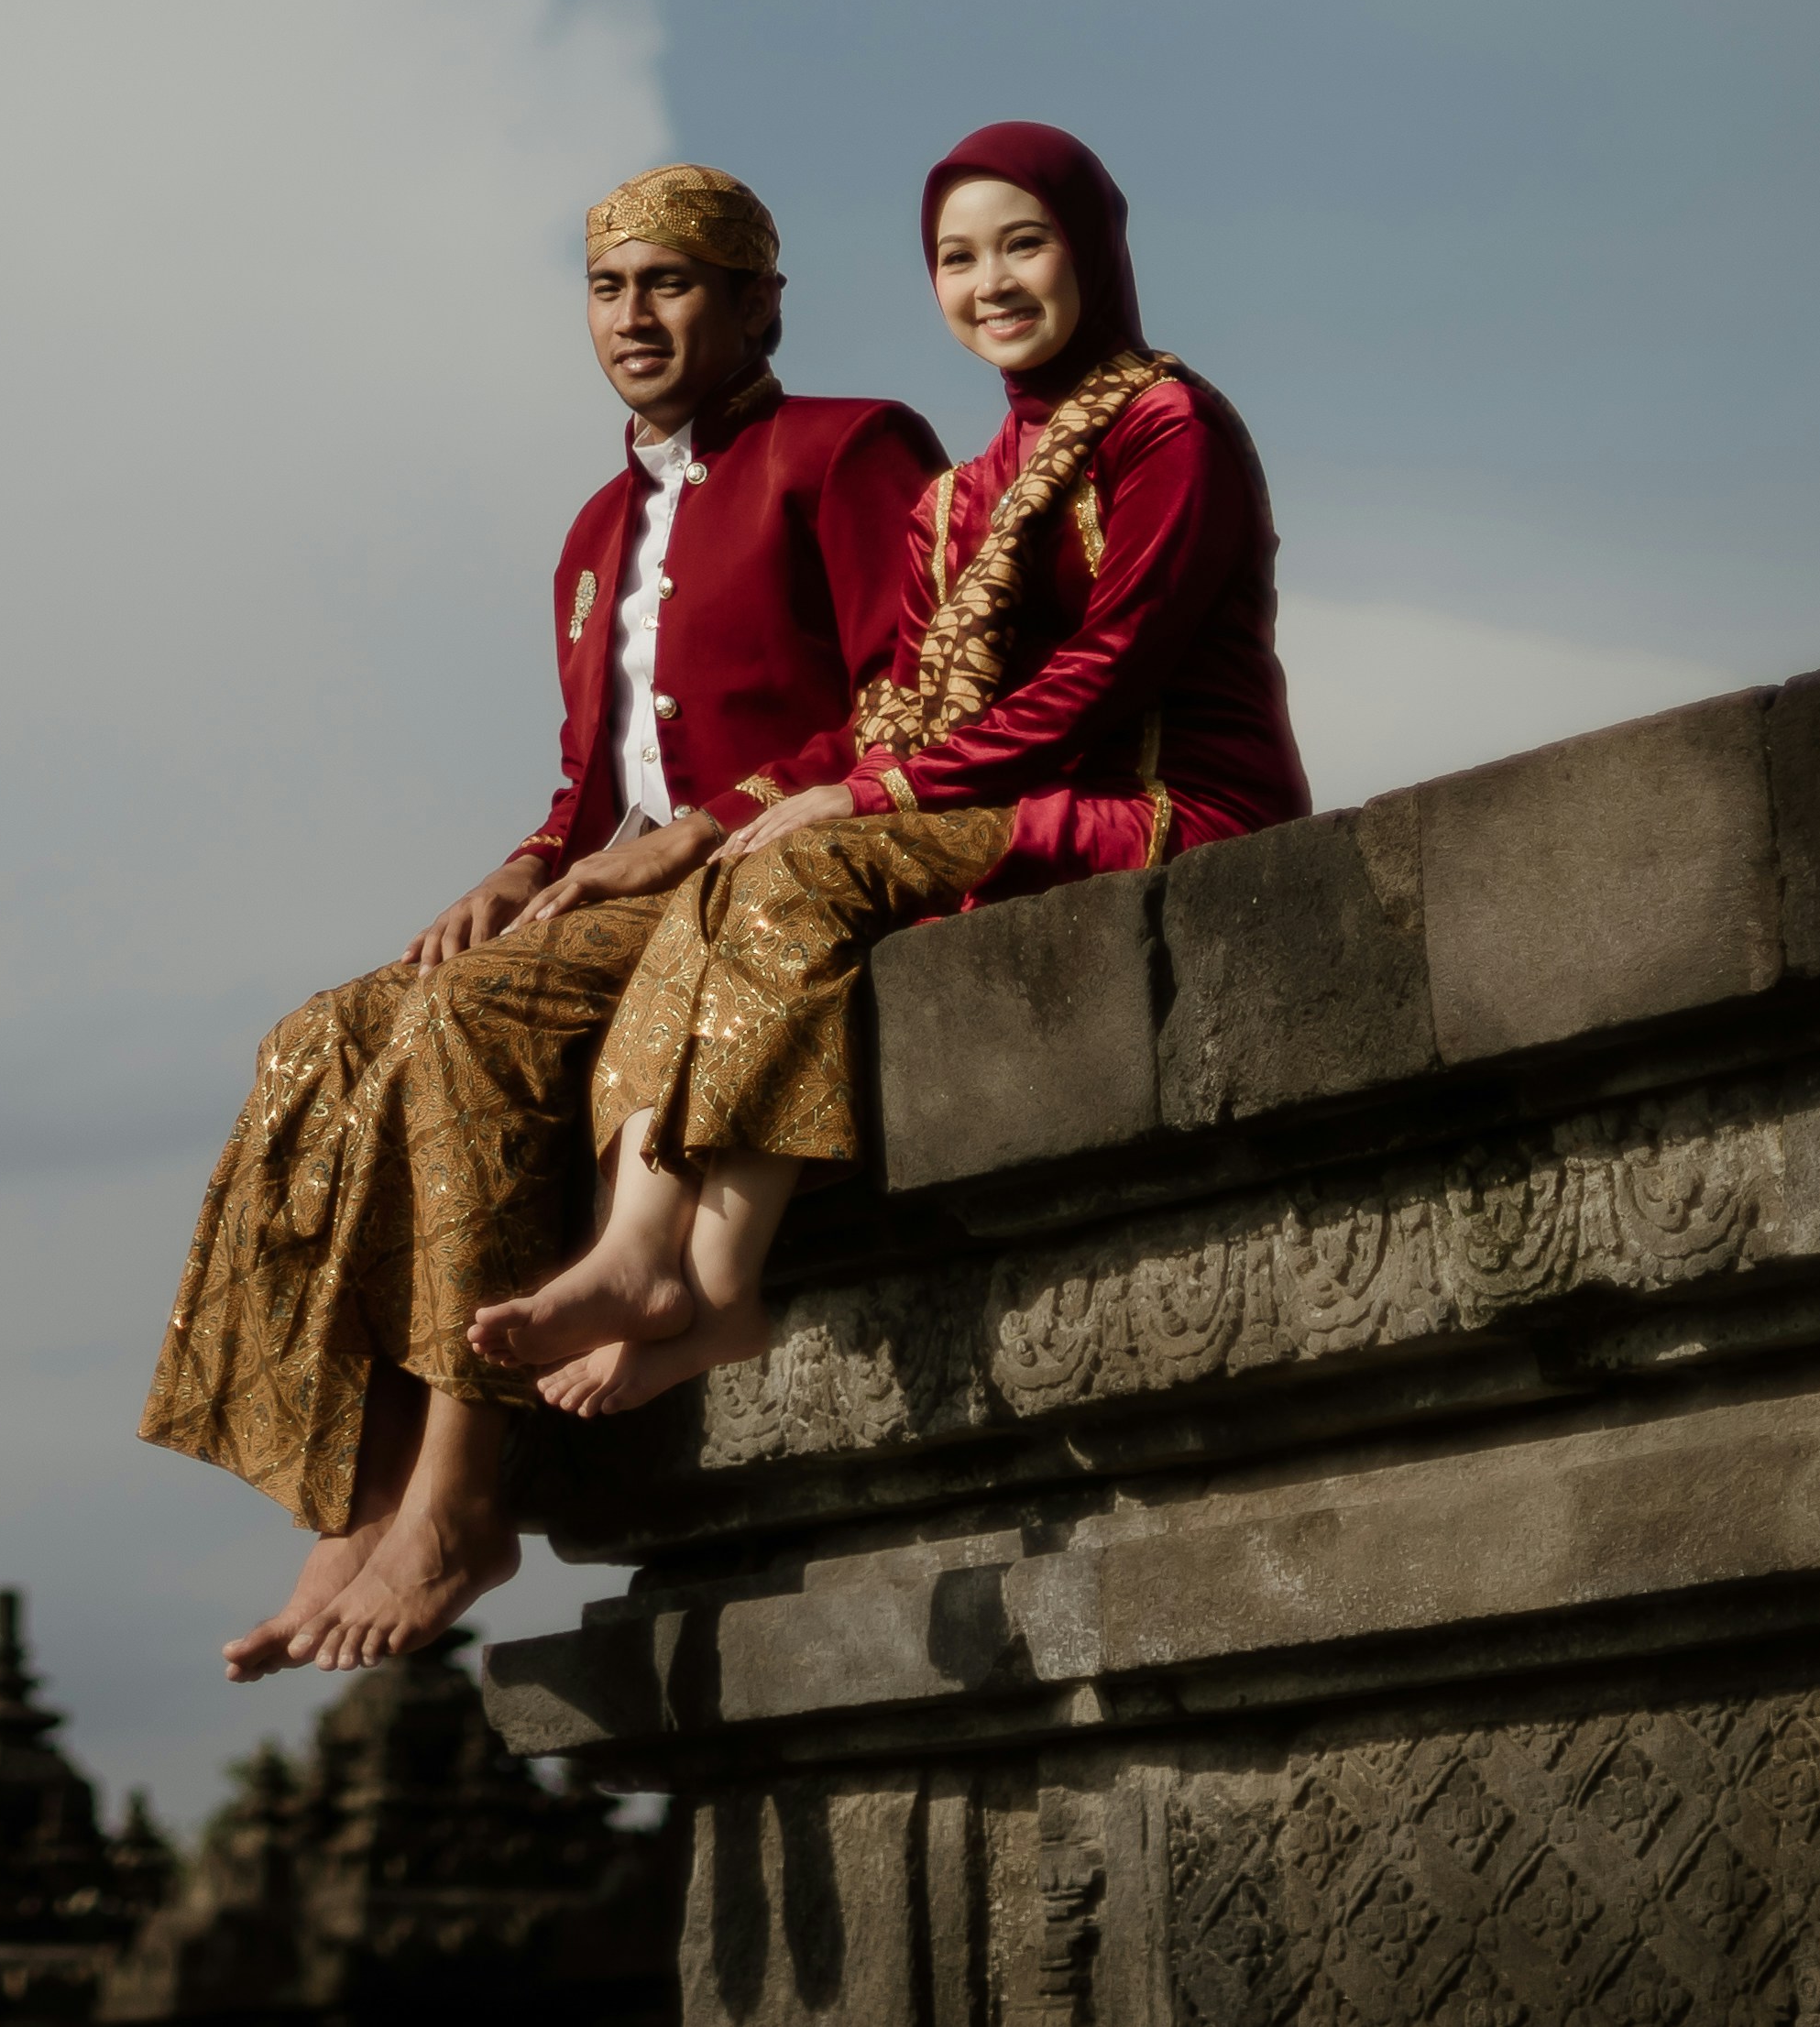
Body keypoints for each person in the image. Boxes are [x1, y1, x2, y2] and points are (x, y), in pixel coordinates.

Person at [143, 165, 945, 1679]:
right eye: (608, 287)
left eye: (671, 282)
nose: (633, 316)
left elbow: (919, 699)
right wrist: (522, 866)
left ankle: (461, 1497)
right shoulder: (593, 531)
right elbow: (593, 791)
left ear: (759, 305)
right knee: (319, 1040)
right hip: (625, 879)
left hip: (762, 875)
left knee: (464, 1018)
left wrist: (720, 817)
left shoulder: (847, 450)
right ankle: (361, 1493)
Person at [468, 121, 1308, 1419]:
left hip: (1170, 807)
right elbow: (904, 709)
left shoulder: (1167, 428)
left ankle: (717, 1284)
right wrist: (814, 794)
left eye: (1024, 245)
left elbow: (1107, 670)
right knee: (728, 872)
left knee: (797, 871)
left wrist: (871, 795)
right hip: (1022, 811)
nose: (992, 284)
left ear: (1093, 250)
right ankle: (645, 1252)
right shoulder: (965, 494)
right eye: (958, 260)